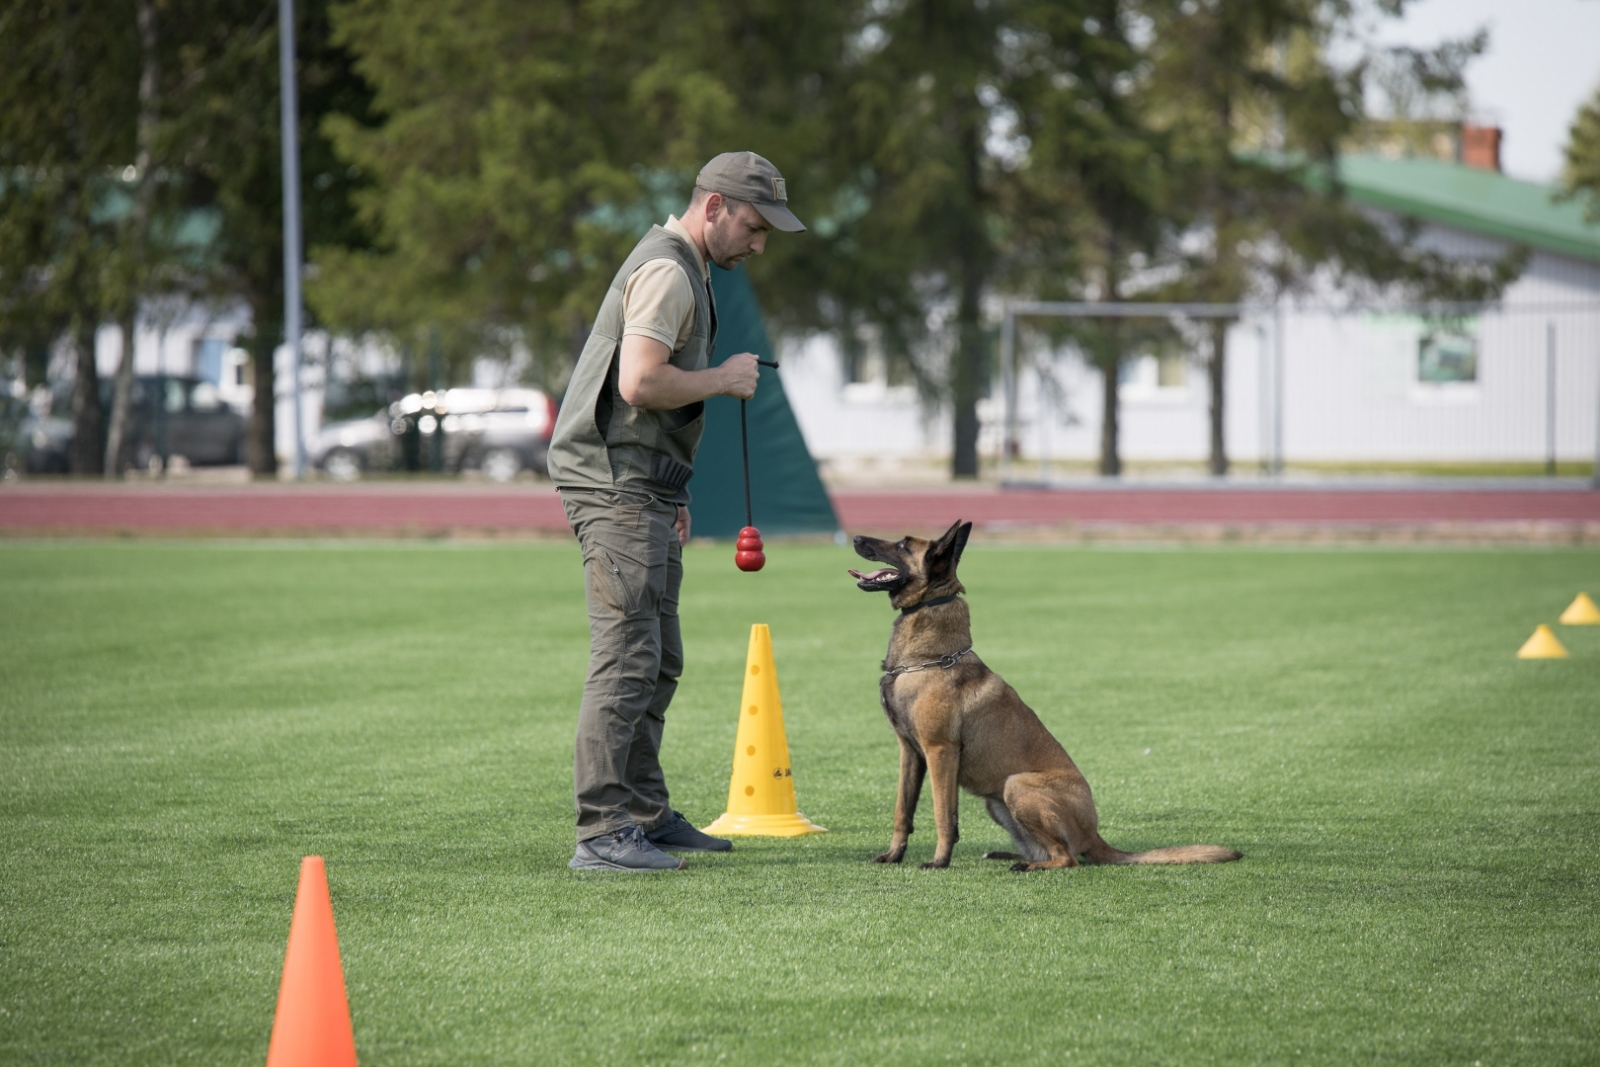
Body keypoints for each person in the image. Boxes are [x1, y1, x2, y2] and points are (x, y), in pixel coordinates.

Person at [547, 152, 806, 872]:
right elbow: (639, 382)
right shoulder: (667, 268)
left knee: (659, 656)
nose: (758, 245)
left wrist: (674, 485)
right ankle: (602, 831)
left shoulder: (689, 266)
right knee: (628, 654)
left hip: (647, 483)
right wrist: (724, 379)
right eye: (754, 227)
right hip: (614, 483)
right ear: (715, 207)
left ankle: (644, 814)